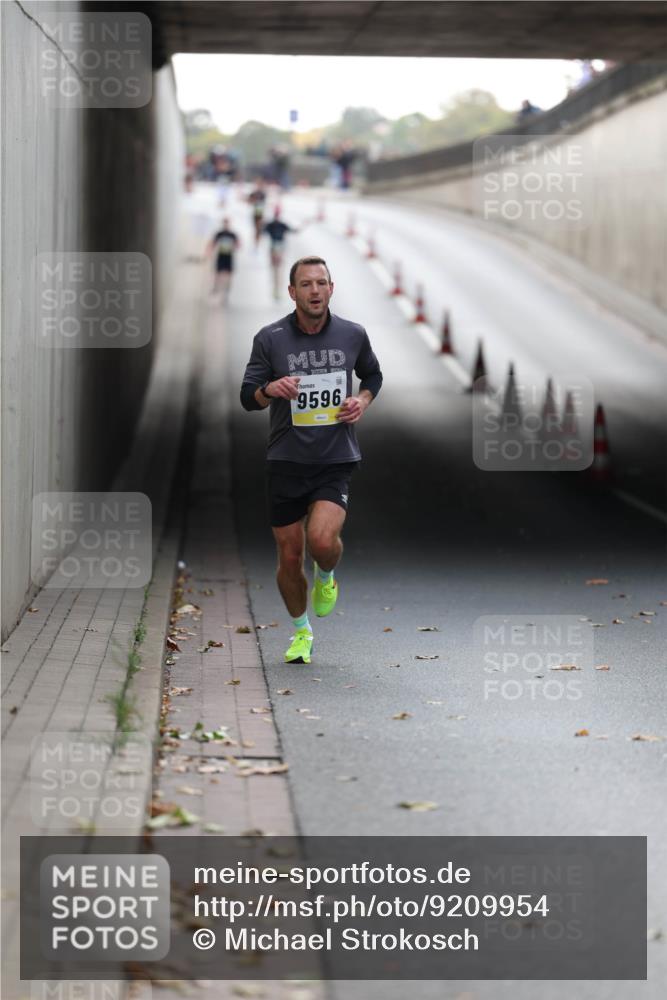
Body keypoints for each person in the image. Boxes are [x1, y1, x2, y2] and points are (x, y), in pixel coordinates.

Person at [240, 256, 383, 665]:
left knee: (321, 541)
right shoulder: (270, 338)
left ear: (331, 288)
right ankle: (301, 632)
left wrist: (362, 401)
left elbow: (372, 376)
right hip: (285, 459)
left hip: (334, 458)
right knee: (289, 556)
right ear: (292, 292)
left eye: (321, 283)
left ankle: (326, 573)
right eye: (306, 284)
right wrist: (271, 389)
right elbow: (248, 397)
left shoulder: (352, 334)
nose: (315, 290)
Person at [263, 208, 297, 300]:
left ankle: (277, 289)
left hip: (279, 247)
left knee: (277, 269)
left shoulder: (280, 224)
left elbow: (294, 231)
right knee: (276, 269)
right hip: (275, 247)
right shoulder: (272, 224)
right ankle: (276, 288)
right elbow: (263, 231)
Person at [208, 218, 240, 301]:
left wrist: (234, 246)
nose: (226, 225)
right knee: (218, 273)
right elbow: (213, 243)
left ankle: (226, 290)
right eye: (225, 223)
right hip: (221, 255)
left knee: (228, 274)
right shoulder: (219, 233)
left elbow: (238, 244)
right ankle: (216, 287)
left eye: (227, 223)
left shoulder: (232, 234)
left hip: (229, 256)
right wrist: (209, 253)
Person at [247, 180, 267, 248]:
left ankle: (258, 242)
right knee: (257, 228)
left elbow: (264, 203)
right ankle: (256, 242)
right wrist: (253, 201)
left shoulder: (263, 194)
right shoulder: (253, 193)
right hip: (256, 213)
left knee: (259, 228)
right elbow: (249, 201)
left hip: (260, 213)